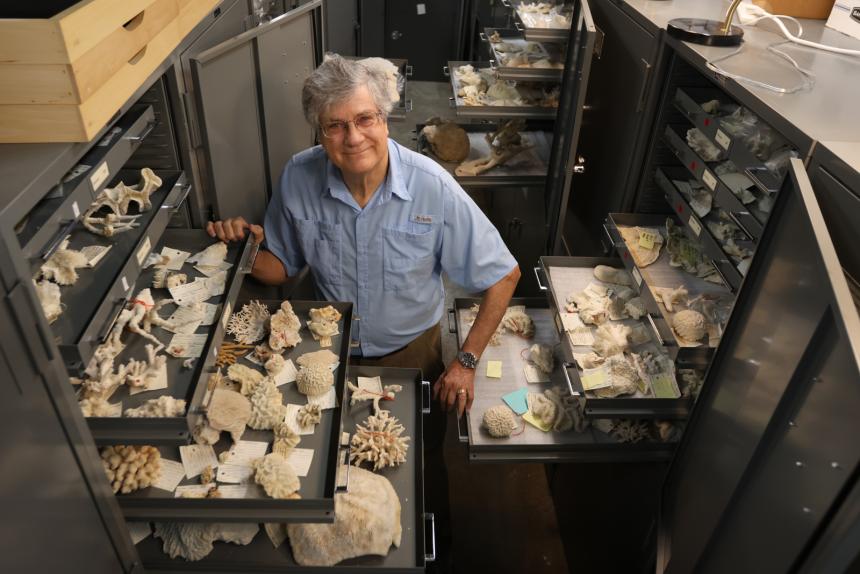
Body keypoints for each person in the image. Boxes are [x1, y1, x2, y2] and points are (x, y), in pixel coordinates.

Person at [207, 54, 520, 570]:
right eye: (335, 125)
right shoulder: (299, 177)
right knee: (335, 465)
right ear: (320, 130)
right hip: (329, 355)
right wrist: (241, 246)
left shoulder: (430, 186)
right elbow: (281, 267)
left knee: (417, 468)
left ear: (385, 118)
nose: (353, 138)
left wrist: (464, 363)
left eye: (364, 119)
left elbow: (502, 275)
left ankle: (428, 552)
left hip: (412, 354)